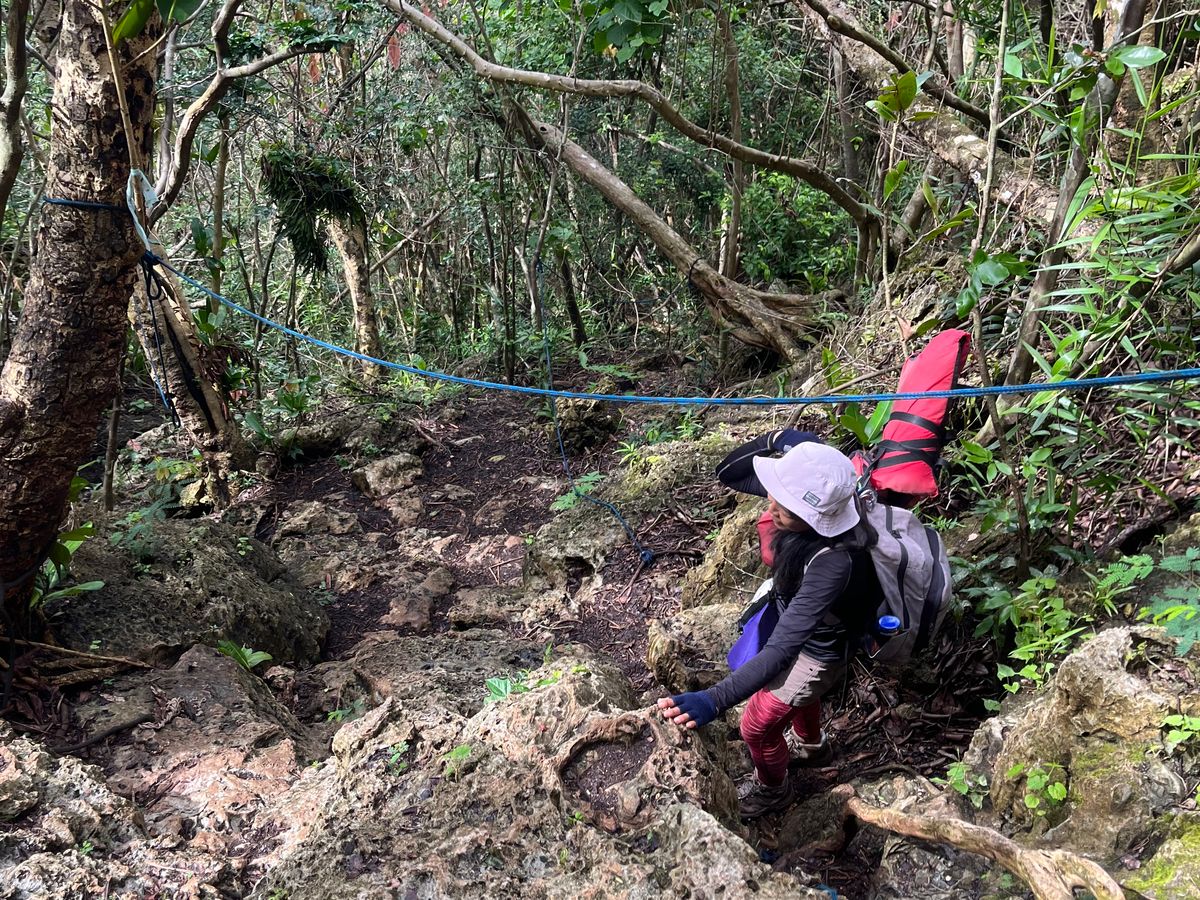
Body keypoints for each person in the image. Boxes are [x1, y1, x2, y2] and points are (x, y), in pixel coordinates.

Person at [656, 437, 881, 819]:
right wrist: (778, 441)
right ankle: (812, 745)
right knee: (795, 701)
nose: (771, 505)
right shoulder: (805, 501)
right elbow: (729, 473)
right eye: (776, 495)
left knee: (756, 727)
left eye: (784, 507)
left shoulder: (834, 563)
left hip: (818, 652)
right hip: (801, 623)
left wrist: (713, 700)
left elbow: (781, 651)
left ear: (815, 520)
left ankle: (774, 790)